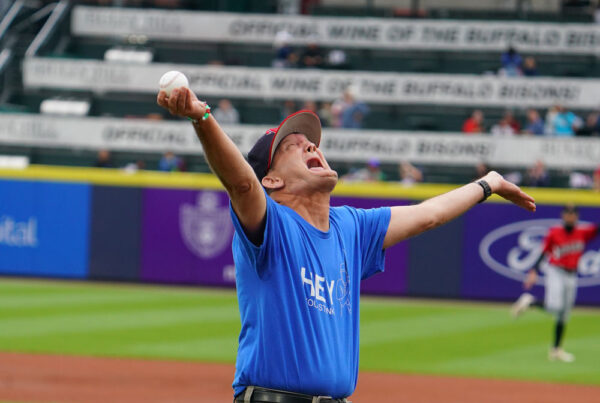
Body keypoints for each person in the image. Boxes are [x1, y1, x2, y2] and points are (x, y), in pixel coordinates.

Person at [157, 87, 535, 402]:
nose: (311, 148)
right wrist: (201, 117)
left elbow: (429, 214)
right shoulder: (271, 223)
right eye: (294, 146)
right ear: (270, 182)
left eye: (313, 144)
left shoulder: (351, 226)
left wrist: (488, 184)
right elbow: (240, 184)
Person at [511, 204, 599, 362]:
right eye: (567, 213)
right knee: (555, 306)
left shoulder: (583, 232)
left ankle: (556, 350)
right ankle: (529, 301)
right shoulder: (555, 232)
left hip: (572, 274)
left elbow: (597, 230)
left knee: (564, 314)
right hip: (556, 271)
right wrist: (534, 271)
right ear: (563, 215)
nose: (570, 216)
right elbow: (544, 252)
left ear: (577, 217)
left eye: (573, 213)